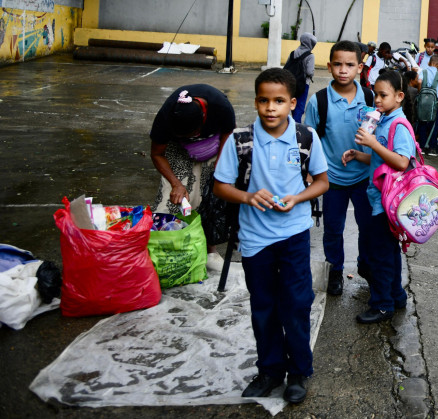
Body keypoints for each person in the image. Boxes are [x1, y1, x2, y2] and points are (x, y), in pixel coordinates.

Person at [213, 68, 329, 403]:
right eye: (264, 100)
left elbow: (322, 181)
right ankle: (269, 370)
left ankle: (298, 372)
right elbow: (220, 186)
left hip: (293, 235)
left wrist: (298, 198)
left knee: (295, 304)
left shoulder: (306, 138)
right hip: (254, 239)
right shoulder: (240, 140)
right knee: (263, 307)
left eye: (279, 101)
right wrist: (248, 196)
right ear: (256, 102)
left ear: (292, 103)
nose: (271, 108)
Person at [342, 70, 415, 324]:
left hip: (387, 203)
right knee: (388, 252)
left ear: (399, 96)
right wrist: (358, 154)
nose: (378, 101)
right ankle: (396, 296)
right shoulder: (383, 120)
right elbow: (380, 158)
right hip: (380, 198)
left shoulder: (398, 125)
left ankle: (382, 304)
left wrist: (373, 144)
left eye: (383, 95)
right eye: (375, 95)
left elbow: (403, 162)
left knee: (380, 255)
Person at [304, 41, 373, 297]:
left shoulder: (369, 97)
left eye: (350, 65)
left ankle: (367, 265)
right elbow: (309, 139)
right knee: (333, 228)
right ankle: (335, 269)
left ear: (360, 67)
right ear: (329, 66)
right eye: (338, 64)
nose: (343, 70)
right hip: (331, 179)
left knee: (368, 226)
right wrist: (311, 174)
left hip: (365, 177)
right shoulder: (319, 101)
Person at [150, 84, 236, 272]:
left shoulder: (220, 106)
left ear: (203, 119)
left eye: (192, 134)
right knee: (174, 201)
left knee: (208, 199)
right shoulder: (166, 116)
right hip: (177, 153)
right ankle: (169, 252)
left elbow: (228, 134)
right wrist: (176, 184)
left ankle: (209, 251)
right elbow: (157, 153)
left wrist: (220, 165)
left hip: (213, 148)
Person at [417, 53, 438, 155]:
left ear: (429, 63)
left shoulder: (423, 71)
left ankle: (421, 147)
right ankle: (432, 148)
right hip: (434, 104)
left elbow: (419, 81)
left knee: (422, 123)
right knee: (433, 125)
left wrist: (420, 92)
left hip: (422, 101)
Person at [288, 33, 317, 122]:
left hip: (290, 83)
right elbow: (309, 72)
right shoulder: (310, 56)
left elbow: (287, 66)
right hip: (303, 84)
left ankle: (290, 124)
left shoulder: (293, 53)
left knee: (291, 104)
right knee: (299, 106)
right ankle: (297, 127)